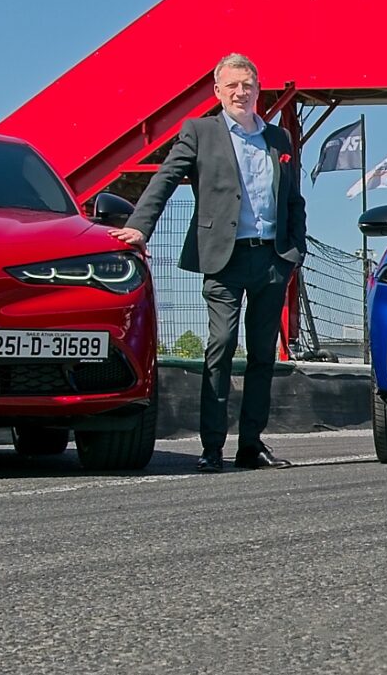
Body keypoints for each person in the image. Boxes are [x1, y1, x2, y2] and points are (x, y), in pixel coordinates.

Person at [111, 53, 308, 472]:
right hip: (224, 258)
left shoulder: (279, 141)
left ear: (258, 90)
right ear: (218, 91)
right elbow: (165, 179)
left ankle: (251, 444)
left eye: (248, 85)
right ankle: (212, 446)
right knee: (220, 347)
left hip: (272, 259)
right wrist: (139, 227)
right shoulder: (200, 132)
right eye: (232, 85)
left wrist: (296, 250)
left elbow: (293, 199)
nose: (241, 92)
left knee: (262, 355)